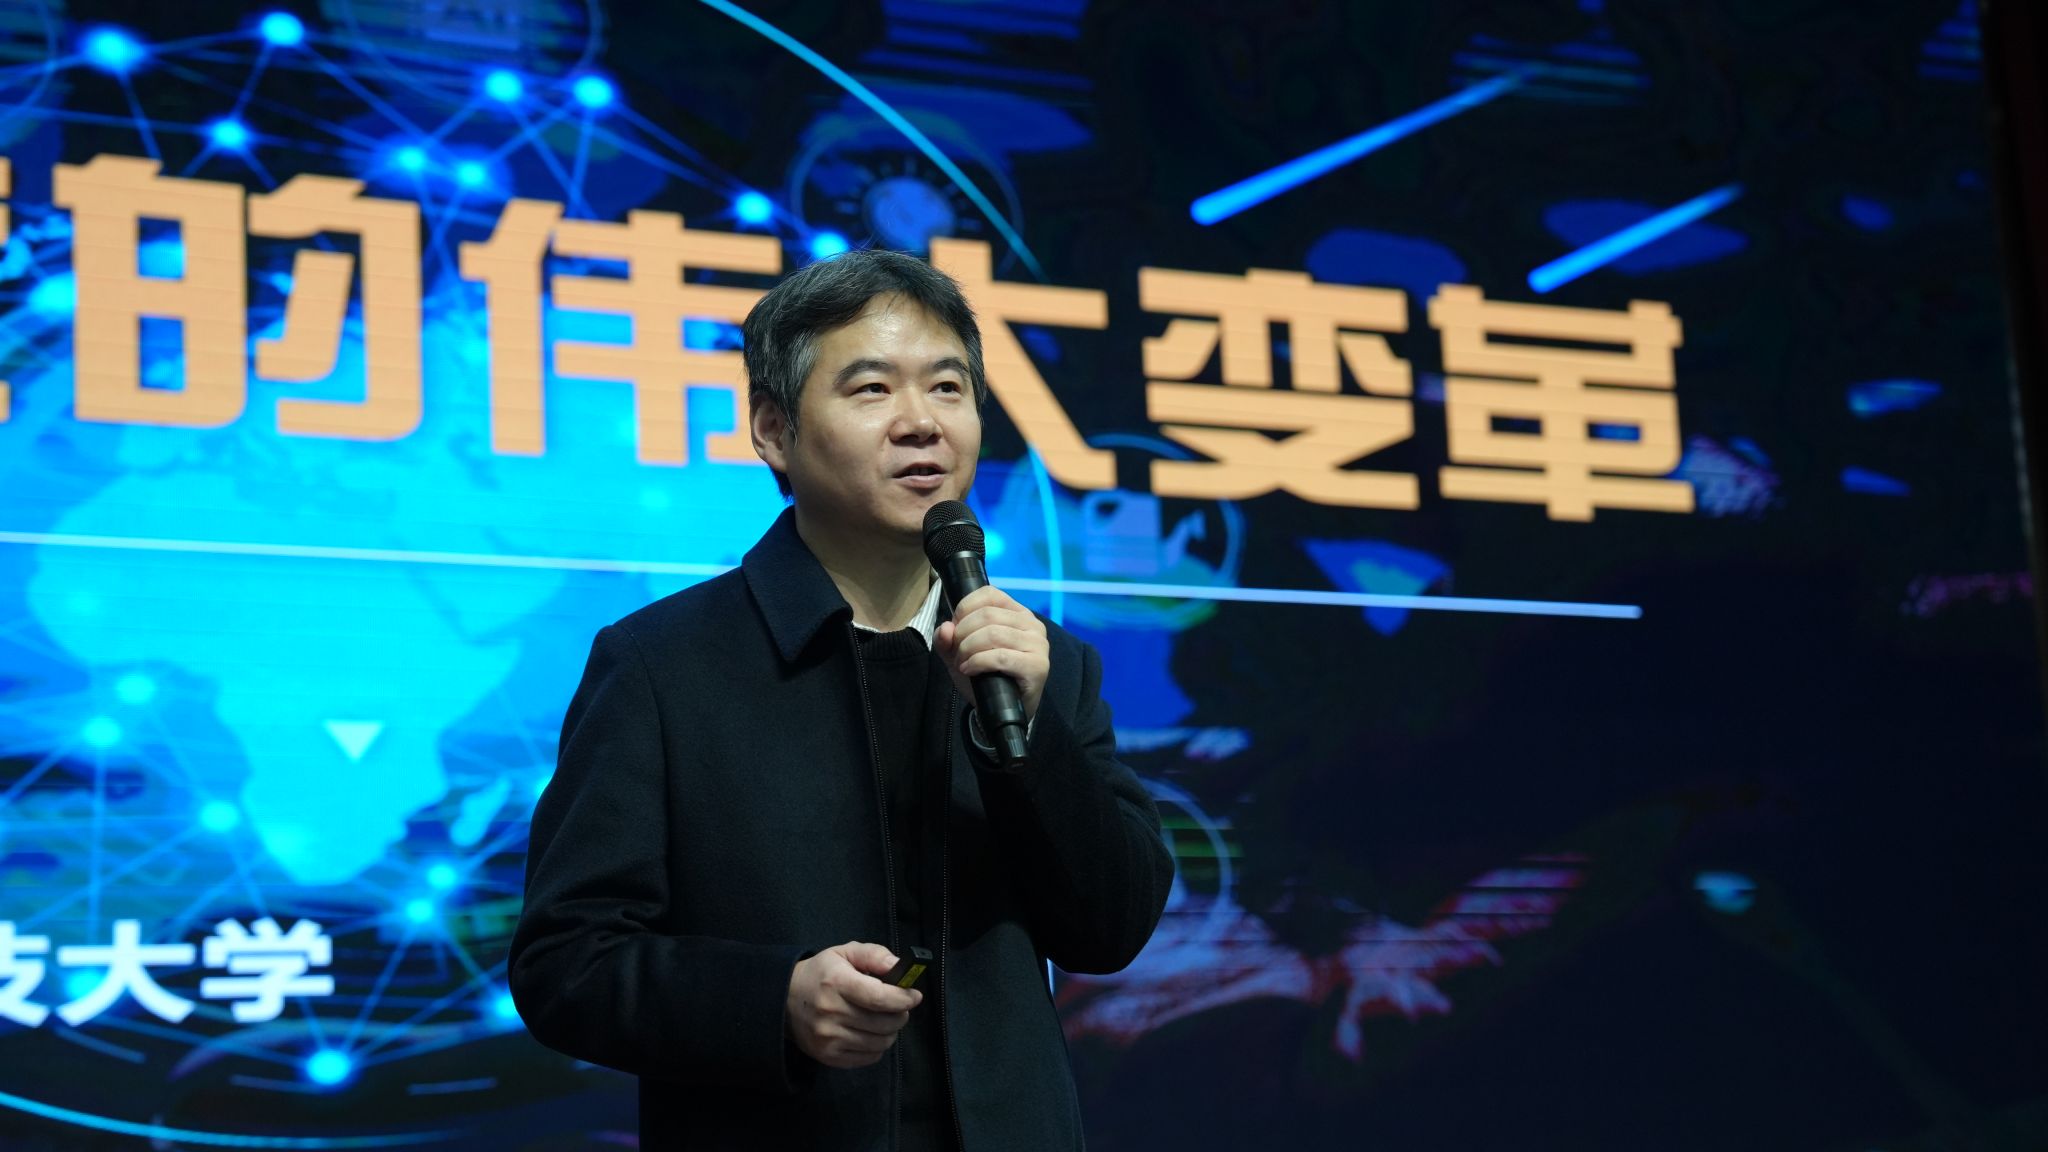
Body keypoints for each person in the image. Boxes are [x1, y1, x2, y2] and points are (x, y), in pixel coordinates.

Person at [509, 247, 1175, 1151]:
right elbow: (565, 964)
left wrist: (1032, 734)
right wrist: (773, 1001)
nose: (921, 423)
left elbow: (1111, 928)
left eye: (948, 388)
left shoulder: (1042, 662)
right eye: (871, 389)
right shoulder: (663, 666)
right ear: (773, 430)